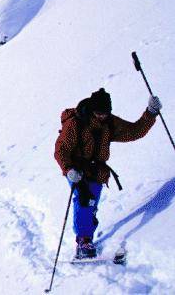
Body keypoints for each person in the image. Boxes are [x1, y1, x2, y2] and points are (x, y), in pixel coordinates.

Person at [54, 88, 162, 259]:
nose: (102, 117)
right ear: (91, 109)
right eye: (98, 113)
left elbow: (134, 131)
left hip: (97, 171)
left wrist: (151, 113)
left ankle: (88, 225)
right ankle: (83, 242)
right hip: (77, 169)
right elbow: (61, 150)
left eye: (105, 113)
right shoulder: (75, 123)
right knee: (84, 200)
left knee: (91, 205)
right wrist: (68, 170)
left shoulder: (109, 123)